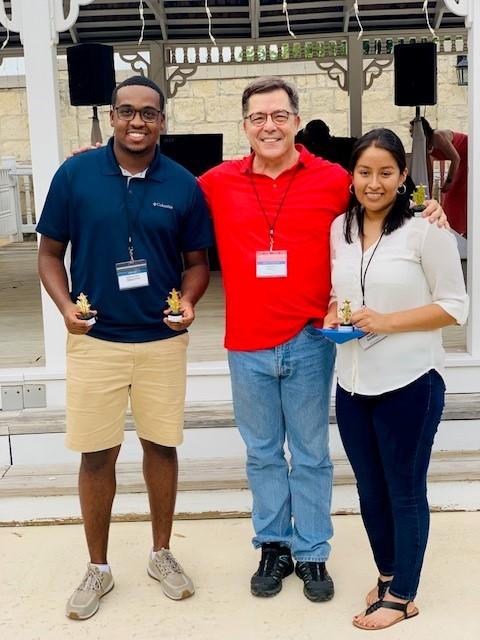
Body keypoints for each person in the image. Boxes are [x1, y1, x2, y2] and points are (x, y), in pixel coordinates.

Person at [198, 77, 447, 602]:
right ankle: (273, 545)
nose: (269, 126)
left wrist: (429, 208)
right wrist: (100, 159)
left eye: (279, 115)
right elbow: (160, 193)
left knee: (311, 453)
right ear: (245, 126)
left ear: (295, 121)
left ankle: (312, 551)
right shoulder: (217, 182)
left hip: (310, 339)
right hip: (246, 342)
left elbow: (379, 198)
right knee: (262, 453)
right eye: (258, 117)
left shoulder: (333, 178)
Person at [37, 75, 213, 620]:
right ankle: (98, 567)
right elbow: (49, 254)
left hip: (161, 340)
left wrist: (188, 301)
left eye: (149, 113)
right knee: (97, 454)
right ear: (112, 116)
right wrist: (66, 307)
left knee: (161, 447)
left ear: (162, 121)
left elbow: (197, 265)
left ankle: (161, 554)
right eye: (127, 111)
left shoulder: (182, 184)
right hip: (97, 340)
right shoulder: (75, 175)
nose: (137, 121)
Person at [324, 128, 468, 629]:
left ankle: (404, 595)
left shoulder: (426, 229)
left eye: (386, 172)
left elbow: (455, 306)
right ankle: (388, 575)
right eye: (364, 172)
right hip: (352, 381)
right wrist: (334, 315)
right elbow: (339, 293)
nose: (374, 183)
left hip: (410, 381)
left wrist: (386, 322)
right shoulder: (340, 228)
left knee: (404, 489)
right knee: (370, 489)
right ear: (351, 176)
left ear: (403, 175)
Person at [411, 116, 468, 236]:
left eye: (413, 131)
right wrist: (429, 194)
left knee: (457, 194)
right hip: (459, 163)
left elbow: (456, 159)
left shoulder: (437, 136)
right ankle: (456, 229)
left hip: (467, 154)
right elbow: (429, 172)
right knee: (452, 197)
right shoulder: (424, 145)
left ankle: (461, 229)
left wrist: (449, 181)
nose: (411, 135)